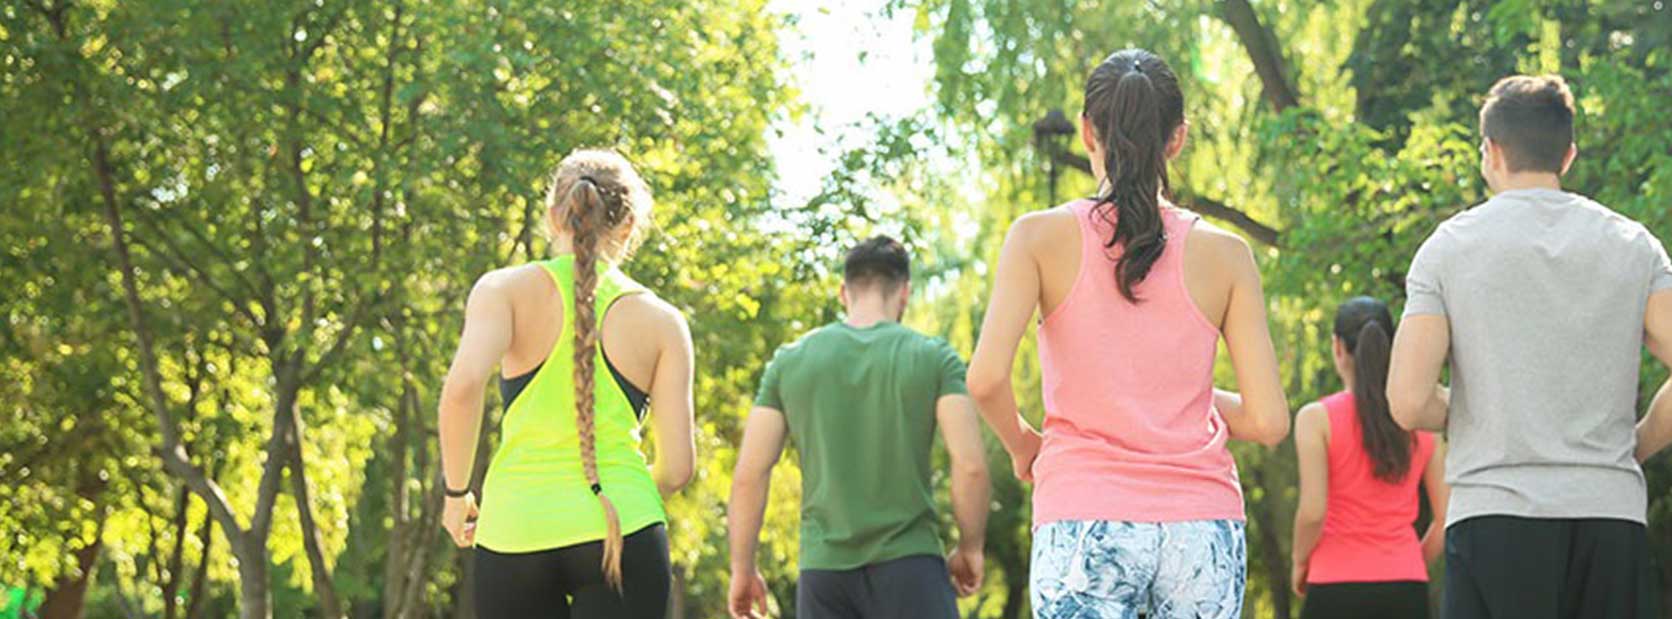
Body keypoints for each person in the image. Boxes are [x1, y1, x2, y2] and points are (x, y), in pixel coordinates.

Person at [967, 48, 1291, 619]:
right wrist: (1176, 394)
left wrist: (1025, 447)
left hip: (1083, 517)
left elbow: (987, 378)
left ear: (1088, 131)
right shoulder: (1227, 255)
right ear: (1178, 138)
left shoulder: (1037, 239)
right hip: (1202, 526)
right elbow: (1268, 421)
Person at [1386, 75, 1672, 619]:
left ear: (1490, 151)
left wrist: (1477, 410)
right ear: (1568, 154)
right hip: (1609, 516)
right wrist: (1627, 446)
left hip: (1494, 517)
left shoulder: (1448, 248)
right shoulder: (1632, 244)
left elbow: (1406, 401)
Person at [437, 149, 696, 619]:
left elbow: (462, 388)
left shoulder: (502, 292)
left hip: (515, 530)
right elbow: (677, 469)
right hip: (624, 529)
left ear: (554, 215)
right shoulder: (662, 321)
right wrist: (627, 496)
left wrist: (456, 495)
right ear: (629, 224)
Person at [726, 236, 990, 619]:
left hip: (824, 575)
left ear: (842, 292)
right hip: (912, 569)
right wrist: (970, 548)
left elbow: (749, 475)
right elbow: (971, 465)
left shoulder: (790, 362)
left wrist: (743, 569)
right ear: (904, 293)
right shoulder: (935, 358)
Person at [1291, 297, 1448, 619]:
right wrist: (1407, 562)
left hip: (1334, 584)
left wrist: (1299, 561)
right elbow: (1445, 519)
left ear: (1337, 347)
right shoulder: (1421, 422)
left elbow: (1313, 510)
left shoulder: (1316, 419)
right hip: (1406, 587)